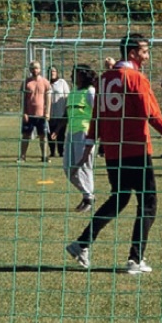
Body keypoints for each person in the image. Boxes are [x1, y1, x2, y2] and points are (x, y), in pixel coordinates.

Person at [65, 33, 162, 273]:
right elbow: (152, 116)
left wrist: (87, 151)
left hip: (113, 153)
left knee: (119, 198)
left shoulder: (104, 79)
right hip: (137, 150)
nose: (147, 56)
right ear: (132, 53)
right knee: (148, 203)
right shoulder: (136, 78)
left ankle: (82, 243)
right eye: (144, 52)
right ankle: (135, 259)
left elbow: (97, 117)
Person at [63, 64, 96, 213]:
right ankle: (87, 194)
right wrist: (58, 129)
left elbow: (97, 114)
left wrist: (94, 134)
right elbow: (67, 113)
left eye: (75, 74)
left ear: (83, 76)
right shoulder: (73, 92)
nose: (72, 76)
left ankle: (88, 197)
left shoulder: (90, 92)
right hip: (71, 132)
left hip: (84, 132)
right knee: (68, 168)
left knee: (83, 166)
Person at [19, 61, 51, 163]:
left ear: (40, 69)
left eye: (36, 68)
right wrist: (24, 112)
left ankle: (44, 156)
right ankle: (22, 156)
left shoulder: (45, 82)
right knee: (25, 135)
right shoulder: (26, 83)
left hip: (41, 115)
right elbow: (23, 99)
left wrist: (47, 112)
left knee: (43, 136)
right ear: (30, 69)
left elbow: (48, 98)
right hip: (29, 114)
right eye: (32, 68)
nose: (34, 70)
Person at [47, 66, 70, 160]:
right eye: (50, 71)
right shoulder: (46, 83)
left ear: (57, 72)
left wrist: (66, 110)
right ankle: (52, 152)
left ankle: (61, 152)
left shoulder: (62, 82)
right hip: (50, 114)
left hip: (61, 113)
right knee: (49, 134)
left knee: (60, 134)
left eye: (54, 71)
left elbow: (67, 96)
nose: (52, 73)